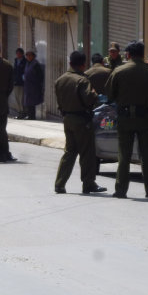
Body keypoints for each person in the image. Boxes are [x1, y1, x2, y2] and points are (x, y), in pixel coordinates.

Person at [105, 41, 148, 199]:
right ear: (143, 54)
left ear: (128, 54)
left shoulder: (119, 71)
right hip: (145, 117)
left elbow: (109, 94)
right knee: (147, 156)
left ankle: (120, 190)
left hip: (125, 117)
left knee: (124, 155)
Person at [54, 51, 107, 194]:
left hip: (67, 119)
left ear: (70, 63)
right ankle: (88, 183)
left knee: (69, 152)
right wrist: (95, 93)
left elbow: (59, 102)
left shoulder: (60, 80)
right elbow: (90, 99)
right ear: (83, 65)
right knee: (87, 152)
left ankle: (59, 184)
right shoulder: (82, 81)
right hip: (82, 120)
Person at [23, 50, 44, 120]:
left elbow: (40, 76)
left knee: (32, 101)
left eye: (30, 55)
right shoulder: (27, 63)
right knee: (28, 101)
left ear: (33, 56)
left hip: (34, 86)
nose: (28, 57)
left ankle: (32, 116)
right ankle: (30, 115)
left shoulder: (36, 64)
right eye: (27, 55)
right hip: (28, 85)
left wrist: (36, 83)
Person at [13, 48, 26, 119]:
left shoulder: (25, 61)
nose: (17, 55)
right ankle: (19, 112)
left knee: (21, 98)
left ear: (22, 54)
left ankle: (23, 112)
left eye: (19, 53)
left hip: (22, 83)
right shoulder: (16, 61)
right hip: (16, 82)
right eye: (17, 53)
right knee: (17, 98)